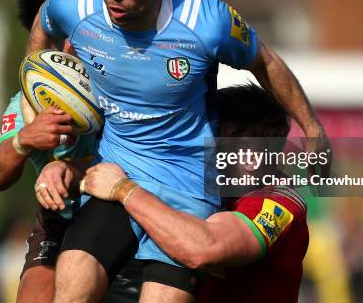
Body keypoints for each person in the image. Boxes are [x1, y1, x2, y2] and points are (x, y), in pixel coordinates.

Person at [25, 0, 326, 301]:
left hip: (187, 190)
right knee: (72, 288)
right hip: (117, 168)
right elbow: (39, 37)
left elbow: (266, 62)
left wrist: (313, 127)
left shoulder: (206, 21)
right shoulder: (72, 3)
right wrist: (49, 143)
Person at [0, 0, 141, 303]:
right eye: (61, 34)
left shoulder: (125, 87)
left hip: (126, 210)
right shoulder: (29, 100)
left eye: (80, 29)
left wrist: (70, 169)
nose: (73, 43)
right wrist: (24, 139)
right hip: (61, 218)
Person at [80, 83, 309, 302]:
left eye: (208, 136)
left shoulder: (278, 203)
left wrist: (123, 190)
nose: (193, 146)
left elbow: (203, 249)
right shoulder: (205, 186)